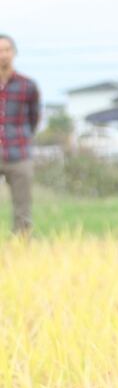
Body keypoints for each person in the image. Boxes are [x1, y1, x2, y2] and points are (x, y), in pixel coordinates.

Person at [0, 34, 40, 237]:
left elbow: (34, 118)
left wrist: (22, 136)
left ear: (14, 53)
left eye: (7, 50)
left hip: (19, 153)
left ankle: (21, 248)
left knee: (22, 209)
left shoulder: (27, 86)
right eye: (0, 51)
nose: (3, 55)